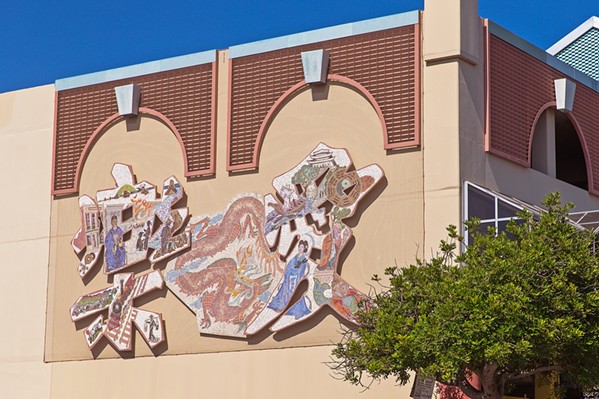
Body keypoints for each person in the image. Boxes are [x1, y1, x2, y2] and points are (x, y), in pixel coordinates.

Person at [268, 240, 310, 314]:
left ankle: (289, 308)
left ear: (304, 248)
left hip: (295, 279)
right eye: (299, 247)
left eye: (302, 247)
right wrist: (291, 271)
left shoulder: (303, 260)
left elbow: (300, 271)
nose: (300, 248)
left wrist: (294, 270)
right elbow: (288, 266)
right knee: (285, 287)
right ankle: (282, 306)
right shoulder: (295, 257)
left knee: (292, 289)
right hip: (289, 277)